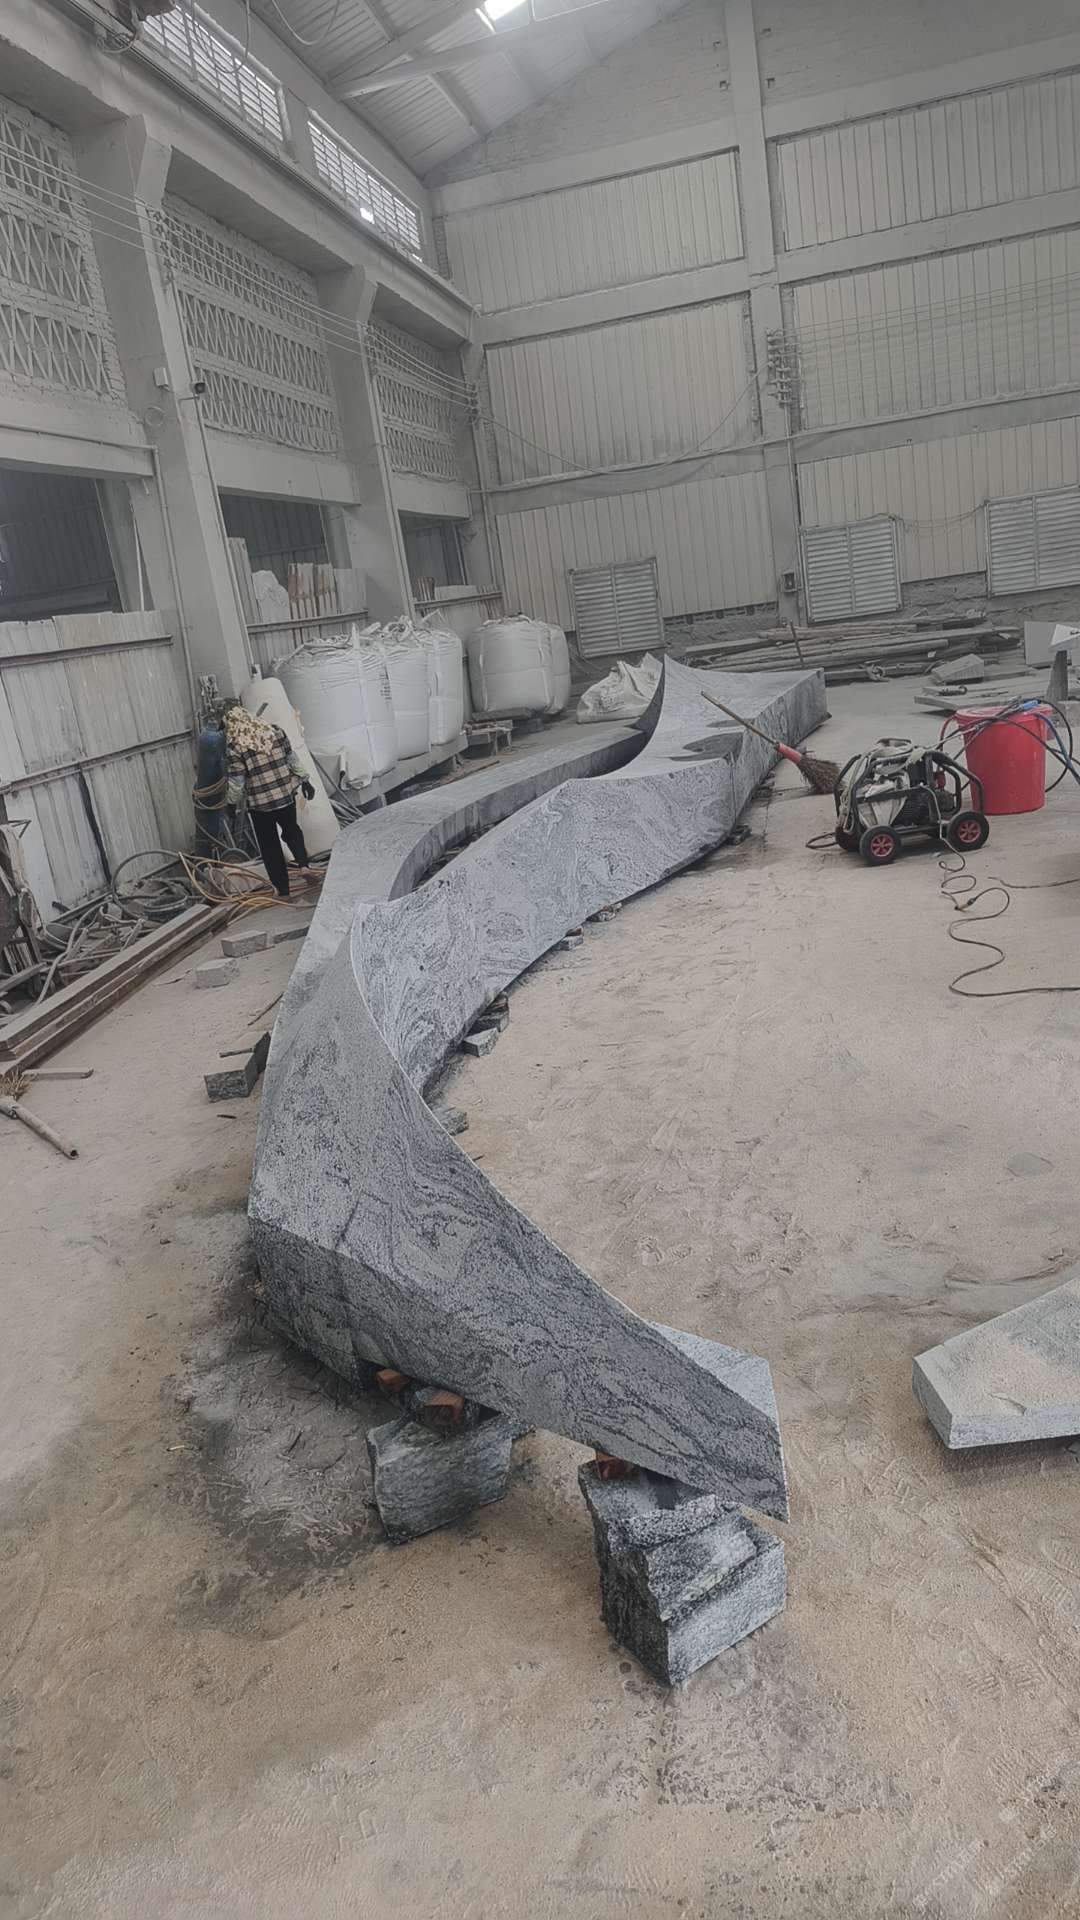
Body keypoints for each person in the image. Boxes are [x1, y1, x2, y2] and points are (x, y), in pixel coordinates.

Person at [224, 705, 319, 901]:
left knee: (270, 846)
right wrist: (305, 780)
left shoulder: (236, 746)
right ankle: (304, 866)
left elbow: (237, 781)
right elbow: (291, 758)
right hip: (284, 796)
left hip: (260, 805)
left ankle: (283, 891)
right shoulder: (276, 732)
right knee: (292, 831)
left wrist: (231, 804)